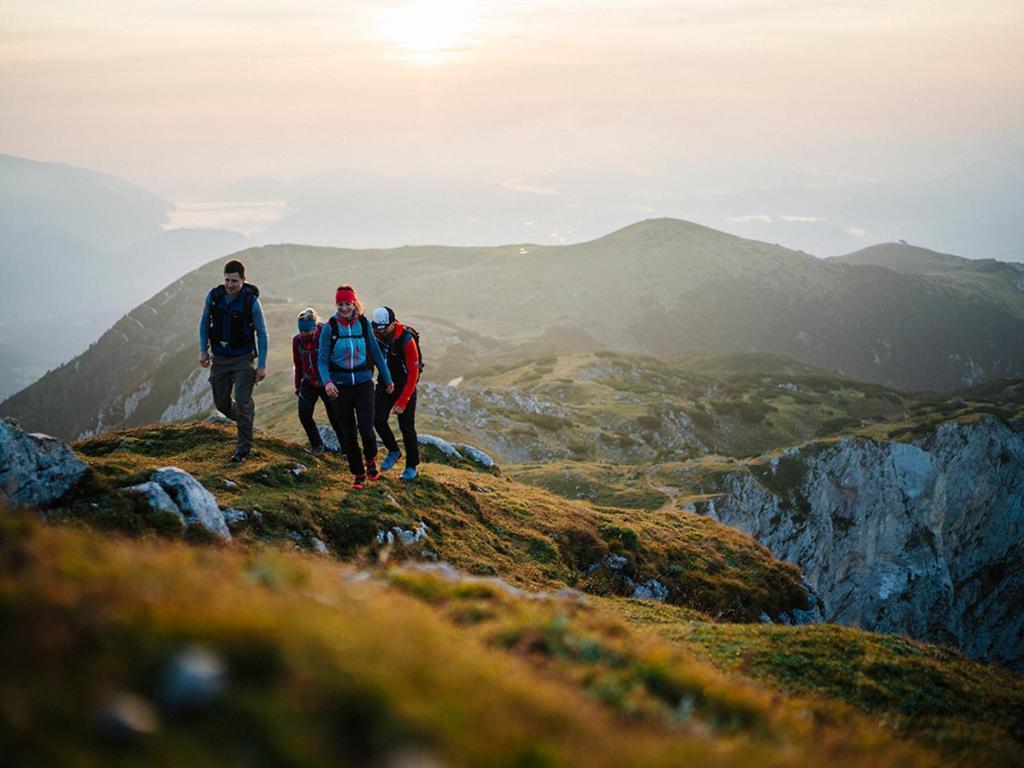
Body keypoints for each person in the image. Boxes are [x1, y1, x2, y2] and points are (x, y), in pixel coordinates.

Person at [318, 285, 393, 489]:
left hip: (363, 383)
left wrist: (387, 379)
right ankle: (358, 474)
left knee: (366, 429)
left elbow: (375, 353)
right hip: (339, 387)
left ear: (354, 303)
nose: (343, 308)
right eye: (340, 304)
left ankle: (370, 460)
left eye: (347, 304)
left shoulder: (363, 323)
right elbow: (322, 360)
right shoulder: (329, 328)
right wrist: (328, 382)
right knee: (348, 433)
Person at [198, 259, 268, 462]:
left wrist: (262, 365)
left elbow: (262, 334)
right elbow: (204, 323)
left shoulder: (251, 302)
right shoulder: (214, 296)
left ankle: (243, 449)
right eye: (227, 280)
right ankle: (246, 419)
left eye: (234, 281)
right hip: (219, 358)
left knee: (243, 400)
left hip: (243, 359)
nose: (230, 285)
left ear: (243, 280)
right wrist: (203, 350)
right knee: (221, 403)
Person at [371, 306, 421, 480]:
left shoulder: (406, 340)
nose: (381, 331)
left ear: (393, 323)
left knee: (406, 427)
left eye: (384, 328)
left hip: (405, 384)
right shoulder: (374, 333)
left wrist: (403, 401)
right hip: (385, 383)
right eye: (378, 328)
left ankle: (412, 466)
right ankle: (393, 450)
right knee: (376, 419)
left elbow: (413, 375)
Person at [292, 308, 347, 455]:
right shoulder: (297, 341)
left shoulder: (325, 335)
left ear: (315, 328)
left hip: (328, 382)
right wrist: (298, 385)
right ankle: (317, 445)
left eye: (308, 331)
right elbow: (298, 364)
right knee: (304, 414)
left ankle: (346, 451)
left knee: (336, 418)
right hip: (309, 382)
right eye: (302, 331)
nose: (305, 334)